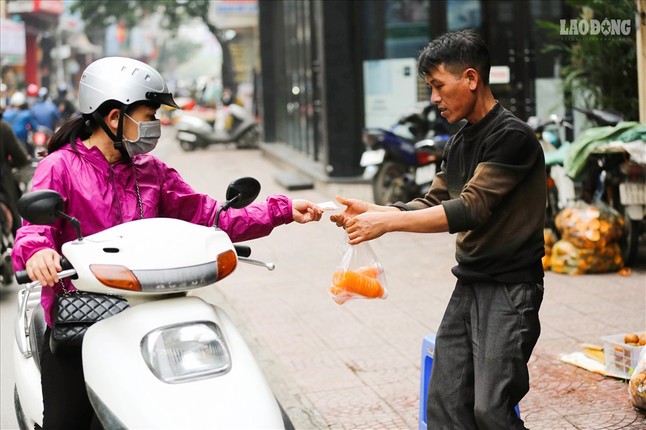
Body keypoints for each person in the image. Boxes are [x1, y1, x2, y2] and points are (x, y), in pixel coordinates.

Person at [11, 56, 324, 429]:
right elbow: (34, 228)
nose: (155, 125)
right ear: (114, 117)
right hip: (83, 320)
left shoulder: (153, 171)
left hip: (151, 308)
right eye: (148, 115)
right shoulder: (60, 167)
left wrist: (282, 209)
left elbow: (212, 216)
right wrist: (38, 252)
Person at [330, 29, 545, 430]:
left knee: (491, 410)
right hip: (470, 284)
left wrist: (387, 221)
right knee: (445, 403)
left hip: (512, 288)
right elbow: (434, 201)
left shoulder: (511, 136)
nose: (434, 98)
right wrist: (377, 210)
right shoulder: (460, 139)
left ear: (470, 78)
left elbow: (472, 207)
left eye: (438, 86)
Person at [0, 113, 31, 236]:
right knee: (17, 227)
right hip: (3, 185)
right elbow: (21, 158)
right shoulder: (3, 128)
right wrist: (9, 165)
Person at [3, 91, 39, 156]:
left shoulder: (5, 114)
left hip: (5, 143)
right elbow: (35, 127)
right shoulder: (27, 114)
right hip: (21, 143)